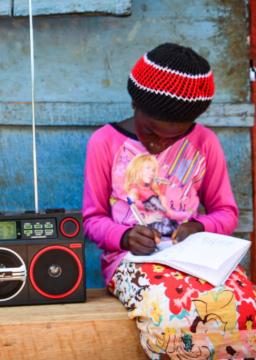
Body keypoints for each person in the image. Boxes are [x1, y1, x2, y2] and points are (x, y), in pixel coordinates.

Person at [83, 43, 256, 359]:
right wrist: (123, 236)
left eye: (173, 138)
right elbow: (92, 219)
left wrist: (198, 226)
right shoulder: (104, 143)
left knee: (244, 304)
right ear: (134, 103)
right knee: (172, 312)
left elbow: (226, 212)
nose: (157, 144)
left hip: (198, 262)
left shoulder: (204, 142)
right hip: (130, 262)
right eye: (150, 131)